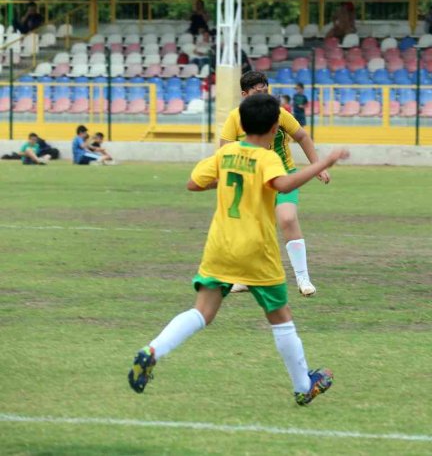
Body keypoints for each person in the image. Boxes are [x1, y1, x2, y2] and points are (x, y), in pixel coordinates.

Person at [127, 93, 348, 405]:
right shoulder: (268, 158)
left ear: (242, 124)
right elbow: (283, 185)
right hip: (257, 250)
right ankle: (303, 385)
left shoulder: (226, 153)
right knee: (280, 317)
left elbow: (193, 183)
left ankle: (152, 350)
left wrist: (231, 176)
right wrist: (324, 162)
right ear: (275, 128)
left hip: (220, 245)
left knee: (201, 311)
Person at [220, 71, 329, 297]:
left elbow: (302, 137)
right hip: (252, 181)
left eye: (265, 91)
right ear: (244, 94)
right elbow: (225, 151)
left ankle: (303, 279)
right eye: (256, 92)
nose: (262, 96)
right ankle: (246, 277)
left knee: (287, 219)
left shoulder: (279, 114)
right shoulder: (234, 118)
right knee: (250, 229)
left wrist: (318, 166)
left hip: (284, 176)